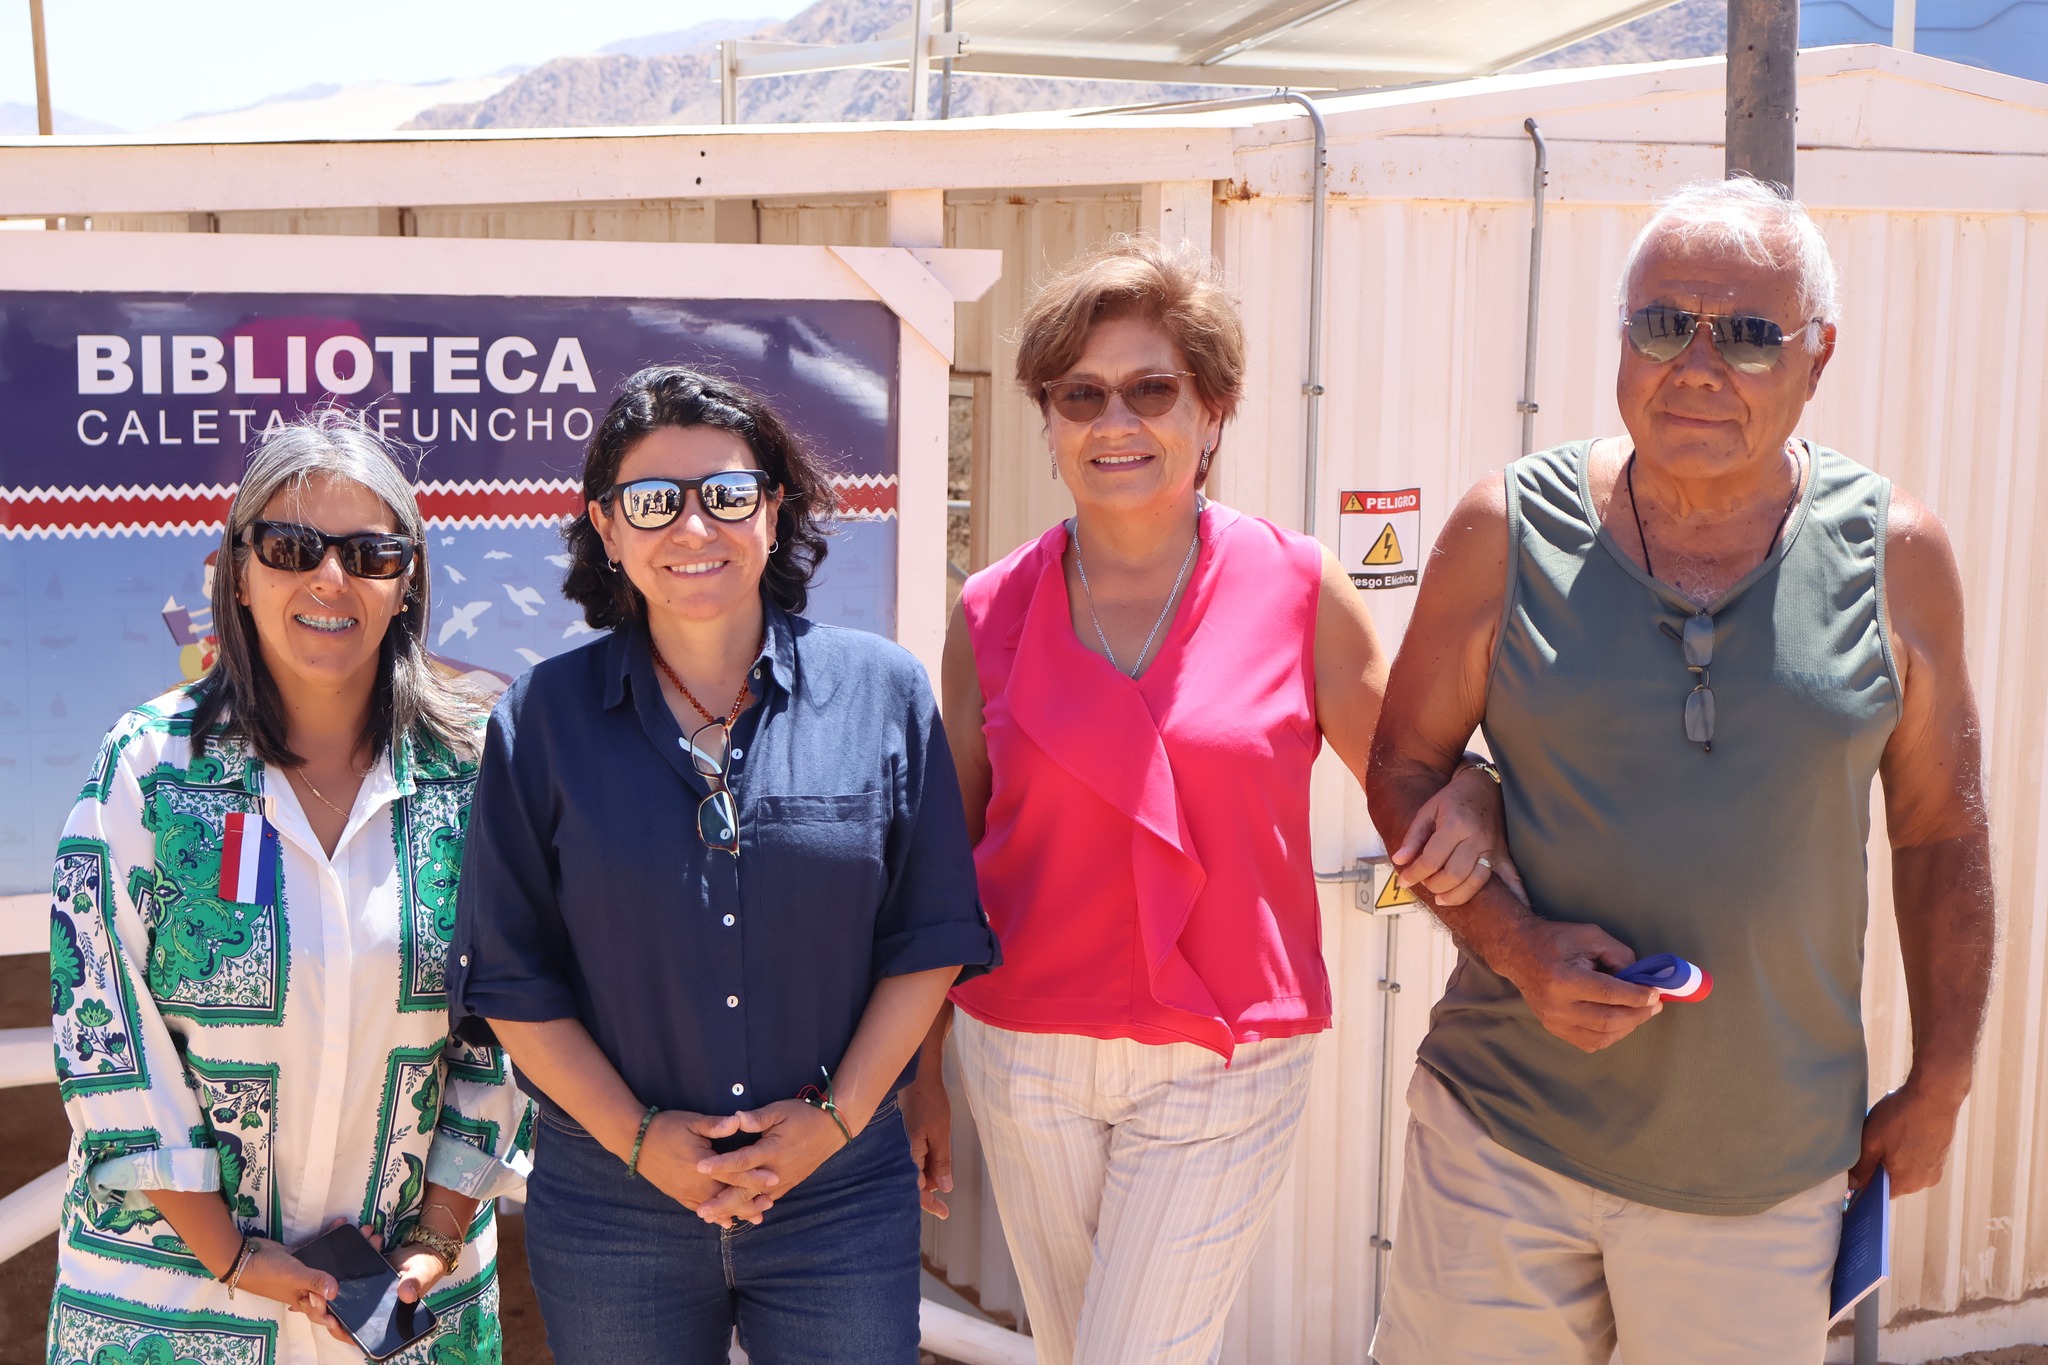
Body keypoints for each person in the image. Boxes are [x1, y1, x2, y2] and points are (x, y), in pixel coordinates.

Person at [1365, 177, 1997, 1364]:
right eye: (1663, 324)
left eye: (1748, 336)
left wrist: (1944, 1079)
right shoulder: (1504, 529)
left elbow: (1938, 834)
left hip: (1761, 1173)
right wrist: (1511, 942)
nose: (1696, 365)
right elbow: (1401, 767)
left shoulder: (1893, 554)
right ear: (1619, 342)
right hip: (1501, 1137)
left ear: (1817, 358)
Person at [899, 235, 1512, 1365]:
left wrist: (1472, 795)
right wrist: (922, 1069)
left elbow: (1411, 775)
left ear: (1213, 411)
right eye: (1079, 395)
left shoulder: (1298, 589)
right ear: (1047, 420)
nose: (1113, 422)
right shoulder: (989, 611)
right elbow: (949, 858)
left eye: (1150, 389)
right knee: (1080, 1351)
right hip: (1025, 1052)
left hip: (1226, 1056)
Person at [447, 365, 999, 1364]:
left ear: (774, 509)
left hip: (836, 1200)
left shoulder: (882, 692)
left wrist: (833, 1124)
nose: (692, 529)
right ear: (606, 530)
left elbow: (928, 937)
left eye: (727, 495)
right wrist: (640, 1140)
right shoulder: (542, 719)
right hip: (617, 1207)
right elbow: (512, 978)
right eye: (653, 502)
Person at [47, 412, 533, 1365]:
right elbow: (102, 1026)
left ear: (409, 583)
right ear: (238, 570)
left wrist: (430, 1245)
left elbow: (509, 1027)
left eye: (370, 552)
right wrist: (231, 1254)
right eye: (291, 545)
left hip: (398, 1310)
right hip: (168, 1307)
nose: (330, 578)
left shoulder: (479, 777)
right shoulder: (149, 767)